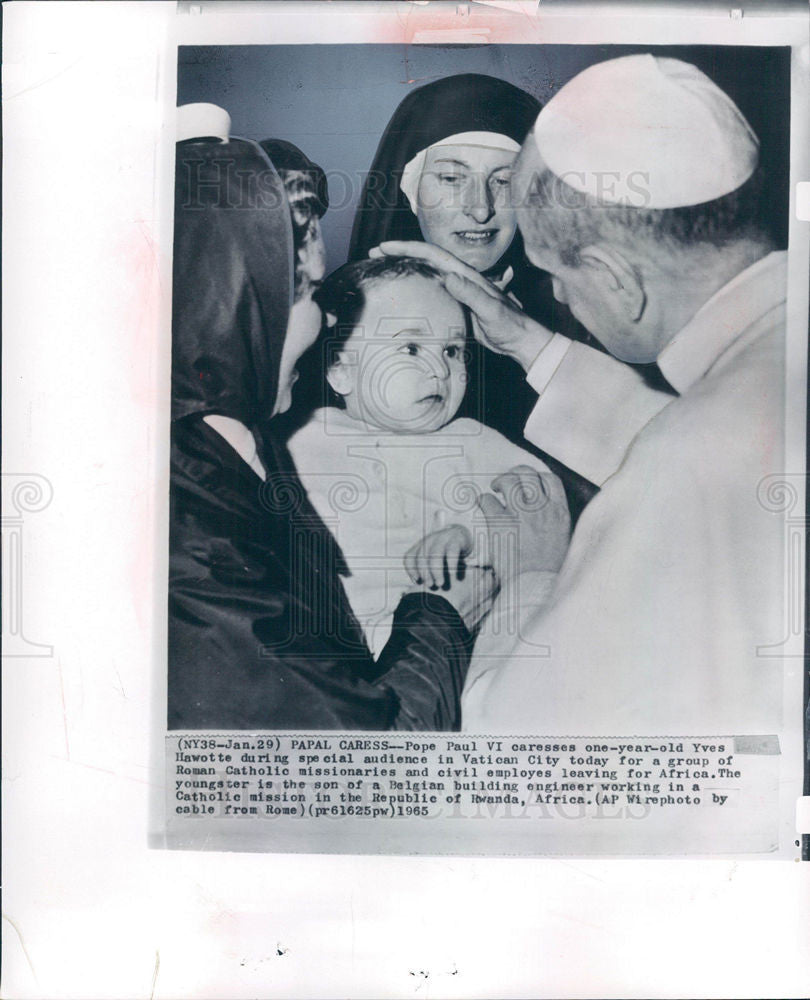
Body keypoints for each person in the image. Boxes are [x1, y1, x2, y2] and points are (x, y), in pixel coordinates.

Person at [405, 55, 787, 734]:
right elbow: (725, 434)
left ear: (616, 278)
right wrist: (530, 343)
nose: (555, 294)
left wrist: (530, 574)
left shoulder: (682, 467)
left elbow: (514, 736)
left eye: (557, 275)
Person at [167, 130, 496, 731]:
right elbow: (363, 768)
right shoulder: (193, 543)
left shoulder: (241, 450)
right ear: (239, 307)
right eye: (312, 294)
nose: (327, 323)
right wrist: (441, 618)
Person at [349, 73, 601, 517]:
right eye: (450, 178)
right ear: (409, 190)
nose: (480, 208)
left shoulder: (584, 312)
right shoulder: (343, 315)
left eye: (502, 182)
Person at [287, 255, 566, 655]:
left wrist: (471, 536)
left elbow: (545, 512)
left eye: (453, 350)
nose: (439, 368)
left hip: (452, 652)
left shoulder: (473, 441)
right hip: (331, 655)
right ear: (340, 370)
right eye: (412, 347)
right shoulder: (300, 438)